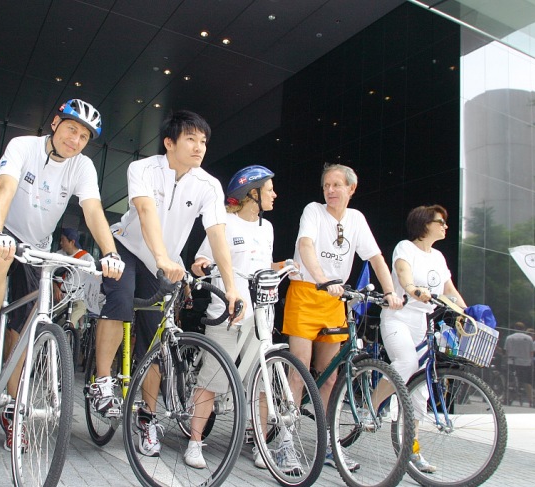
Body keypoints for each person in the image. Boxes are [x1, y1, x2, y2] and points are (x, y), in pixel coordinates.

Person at [0, 98, 124, 451]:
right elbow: (5, 189)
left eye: (84, 136)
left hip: (38, 245)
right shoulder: (23, 147)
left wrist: (110, 253)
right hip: (2, 228)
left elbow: (92, 210)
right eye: (72, 129)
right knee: (0, 261)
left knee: (25, 329)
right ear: (56, 123)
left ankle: (14, 410)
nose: (76, 140)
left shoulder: (83, 167)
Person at [90, 110, 245, 458]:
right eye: (191, 138)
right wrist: (162, 258)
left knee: (157, 342)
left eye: (203, 141)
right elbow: (145, 212)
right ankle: (102, 382)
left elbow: (217, 233)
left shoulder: (208, 185)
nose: (199, 146)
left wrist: (232, 286)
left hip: (163, 263)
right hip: (128, 248)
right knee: (120, 299)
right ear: (169, 142)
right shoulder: (142, 169)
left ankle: (147, 417)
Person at [282, 163, 402, 471]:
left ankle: (328, 444)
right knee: (299, 371)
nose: (330, 190)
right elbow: (305, 244)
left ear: (351, 188)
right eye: (326, 186)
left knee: (331, 374)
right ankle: (285, 442)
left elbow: (375, 256)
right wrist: (322, 277)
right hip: (307, 293)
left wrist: (390, 293)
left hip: (335, 299)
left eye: (337, 185)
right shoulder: (313, 211)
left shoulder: (357, 220)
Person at [184, 165, 302, 472]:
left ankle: (261, 445)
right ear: (252, 192)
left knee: (261, 383)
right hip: (226, 313)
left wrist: (286, 265)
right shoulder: (223, 222)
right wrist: (201, 265)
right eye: (269, 189)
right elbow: (201, 259)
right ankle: (195, 442)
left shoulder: (268, 228)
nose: (274, 194)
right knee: (212, 378)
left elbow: (260, 264)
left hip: (261, 317)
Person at [378, 205, 467, 473]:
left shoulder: (438, 257)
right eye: (441, 221)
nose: (445, 226)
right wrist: (412, 289)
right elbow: (403, 274)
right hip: (398, 317)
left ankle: (411, 451)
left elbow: (450, 291)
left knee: (421, 392)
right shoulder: (405, 247)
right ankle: (373, 408)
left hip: (422, 323)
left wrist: (468, 314)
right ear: (425, 224)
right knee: (405, 362)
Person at [54, 227, 95, 326]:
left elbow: (93, 279)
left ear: (72, 242)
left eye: (63, 240)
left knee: (72, 318)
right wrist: (55, 288)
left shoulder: (87, 258)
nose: (60, 243)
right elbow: (49, 275)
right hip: (61, 298)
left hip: (78, 297)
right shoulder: (58, 255)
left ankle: (70, 334)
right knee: (51, 319)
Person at [505, 321, 535, 407]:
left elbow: (507, 351)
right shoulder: (529, 338)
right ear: (524, 328)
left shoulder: (509, 338)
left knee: (510, 381)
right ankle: (530, 401)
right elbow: (531, 352)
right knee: (527, 382)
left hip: (512, 362)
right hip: (526, 363)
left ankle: (507, 397)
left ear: (514, 328)